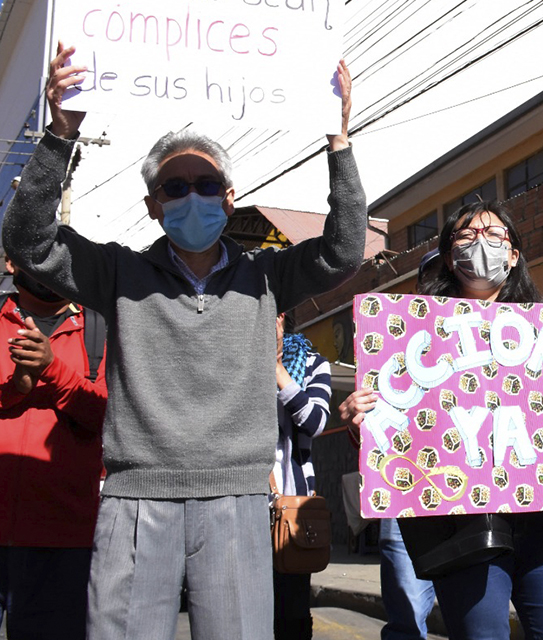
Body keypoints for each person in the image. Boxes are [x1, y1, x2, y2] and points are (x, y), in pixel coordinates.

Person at [1, 44, 367, 639]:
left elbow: (344, 250)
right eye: (175, 187)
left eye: (206, 183)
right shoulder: (118, 272)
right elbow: (28, 243)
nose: (192, 194)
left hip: (239, 505)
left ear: (228, 197)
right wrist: (59, 135)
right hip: (135, 507)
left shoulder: (266, 276)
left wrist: (339, 145)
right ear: (153, 205)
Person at [343, 202, 543, 639]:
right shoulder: (408, 334)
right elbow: (392, 426)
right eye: (466, 235)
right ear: (448, 254)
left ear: (513, 255)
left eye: (495, 236)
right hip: (460, 522)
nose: (481, 244)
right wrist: (361, 420)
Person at [0, 259, 107, 639]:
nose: (51, 269)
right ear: (12, 262)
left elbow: (112, 418)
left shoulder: (100, 330)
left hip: (63, 540)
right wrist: (17, 388)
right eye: (39, 257)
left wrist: (52, 369)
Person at [340, 253, 441, 640]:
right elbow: (370, 434)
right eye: (428, 280)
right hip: (405, 502)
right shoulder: (387, 348)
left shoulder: (487, 342)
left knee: (475, 621)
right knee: (406, 619)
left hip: (474, 506)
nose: (435, 289)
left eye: (446, 278)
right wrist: (356, 420)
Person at [272, 314, 333, 639]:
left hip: (292, 508)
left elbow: (315, 421)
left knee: (292, 611)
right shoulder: (233, 359)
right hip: (239, 501)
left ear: (282, 318)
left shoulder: (312, 364)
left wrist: (277, 371)